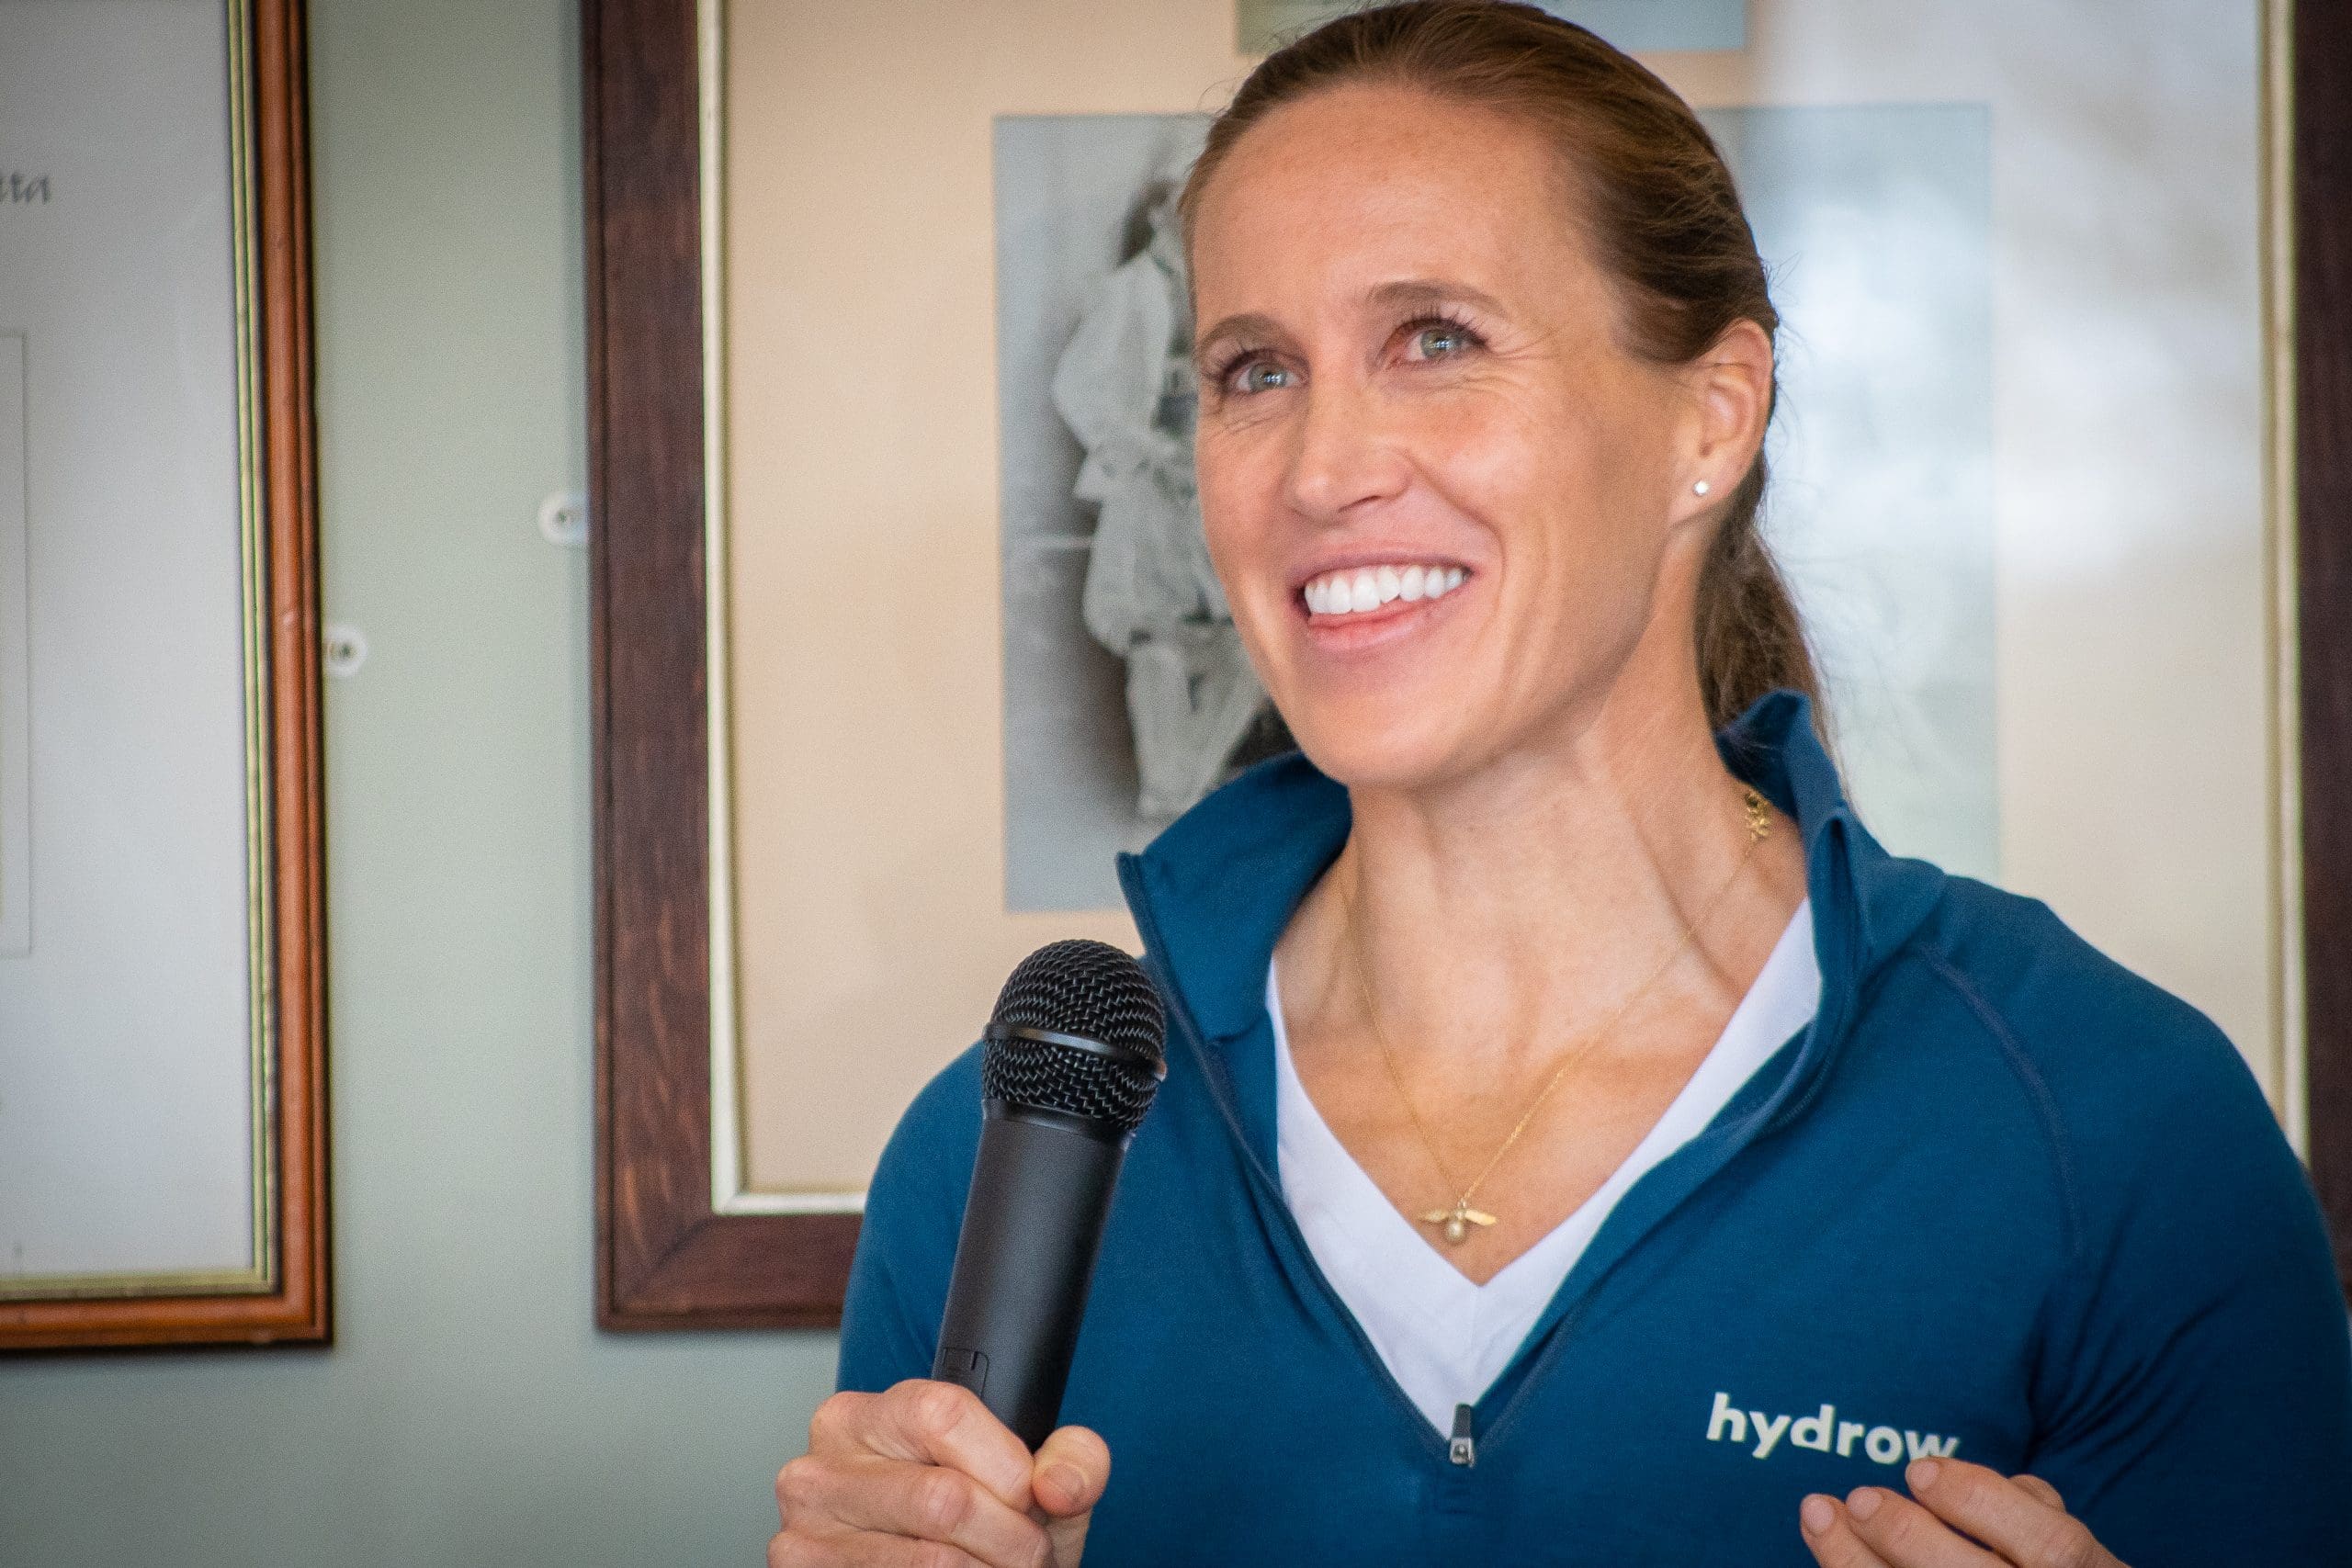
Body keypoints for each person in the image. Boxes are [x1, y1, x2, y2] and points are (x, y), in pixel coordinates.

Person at [768, 5, 2352, 1564]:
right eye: (1255, 370)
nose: (1321, 470)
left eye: (1436, 340)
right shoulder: (1002, 1157)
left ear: (1710, 419)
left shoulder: (2115, 1130)